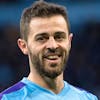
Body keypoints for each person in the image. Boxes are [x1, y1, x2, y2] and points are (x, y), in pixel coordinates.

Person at [0, 0, 98, 100]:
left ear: (69, 42)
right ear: (24, 46)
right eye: (41, 38)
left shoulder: (88, 98)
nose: (52, 45)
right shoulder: (8, 98)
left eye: (59, 37)